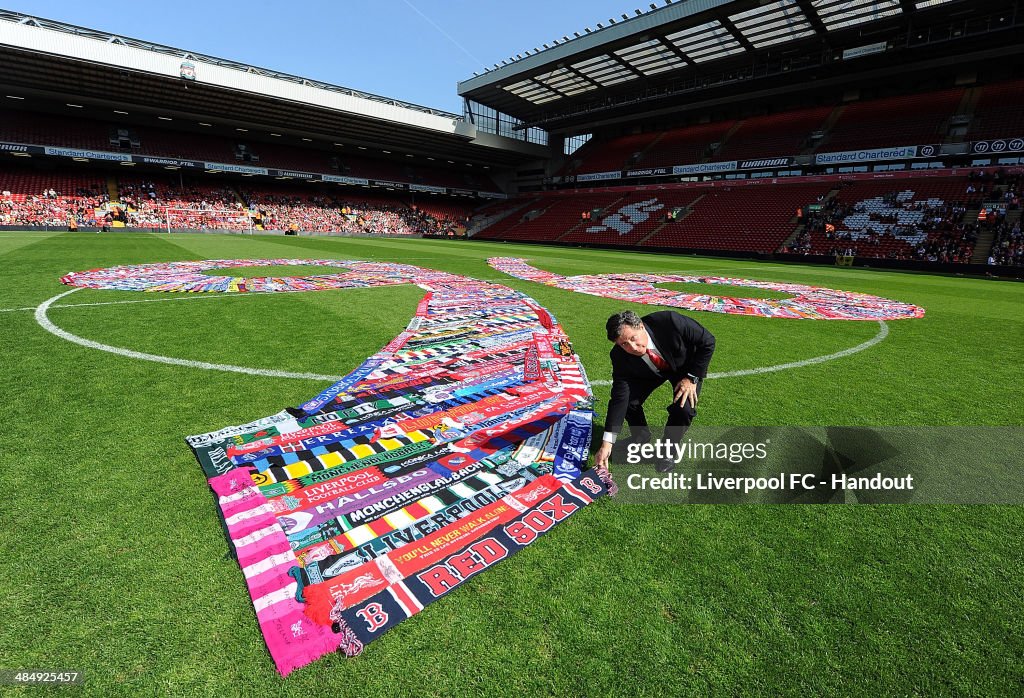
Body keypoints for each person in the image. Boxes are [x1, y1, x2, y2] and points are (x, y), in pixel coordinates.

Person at [594, 310, 716, 473]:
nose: (632, 347)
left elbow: (707, 341)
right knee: (629, 401)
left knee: (684, 409)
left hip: (685, 369)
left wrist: (691, 377)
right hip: (650, 372)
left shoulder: (670, 321)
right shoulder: (619, 356)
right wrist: (607, 443)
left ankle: (668, 451)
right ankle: (640, 436)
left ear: (641, 326)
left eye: (632, 338)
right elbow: (619, 398)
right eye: (624, 344)